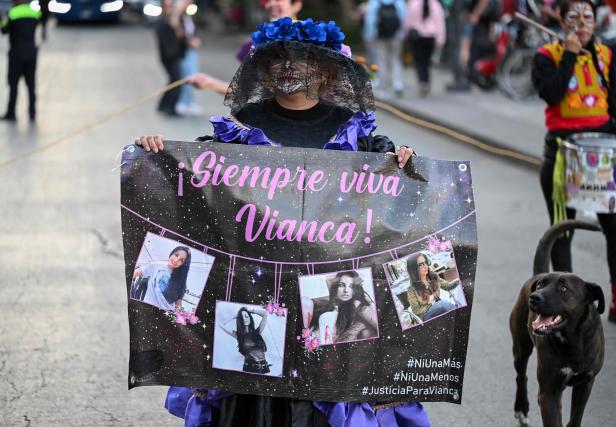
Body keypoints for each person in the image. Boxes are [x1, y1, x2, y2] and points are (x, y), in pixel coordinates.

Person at [136, 17, 428, 426]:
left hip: (327, 290)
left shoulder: (356, 135)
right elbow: (196, 186)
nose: (287, 66)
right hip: (255, 292)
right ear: (263, 69)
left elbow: (387, 209)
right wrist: (158, 155)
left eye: (301, 59)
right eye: (277, 59)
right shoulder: (239, 130)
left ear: (326, 70)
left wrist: (403, 163)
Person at [532, 0, 616, 327]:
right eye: (574, 18)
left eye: (588, 17)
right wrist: (568, 53)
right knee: (563, 231)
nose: (582, 23)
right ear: (562, 21)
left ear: (595, 22)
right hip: (564, 157)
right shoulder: (546, 56)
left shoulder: (605, 55)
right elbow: (552, 94)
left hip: (605, 157)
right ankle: (565, 308)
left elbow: (612, 106)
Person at [187, 0, 303, 95]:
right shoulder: (257, 41)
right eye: (268, 1)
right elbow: (246, 88)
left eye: (278, 0)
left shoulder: (312, 38)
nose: (271, 4)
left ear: (297, 5)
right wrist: (209, 83)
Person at [302, 271, 378, 344]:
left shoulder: (358, 305)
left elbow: (378, 325)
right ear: (335, 287)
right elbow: (329, 278)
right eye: (341, 285)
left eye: (351, 286)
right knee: (305, 301)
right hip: (310, 337)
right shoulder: (327, 304)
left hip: (324, 346)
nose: (346, 290)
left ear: (355, 290)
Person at [1, 0, 41, 122]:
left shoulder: (12, 13)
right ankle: (32, 113)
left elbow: (4, 30)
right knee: (31, 85)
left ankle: (11, 113)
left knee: (13, 85)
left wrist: (2, 19)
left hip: (16, 55)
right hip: (31, 54)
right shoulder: (35, 13)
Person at [362, 0, 406, 99]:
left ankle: (384, 89)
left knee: (381, 61)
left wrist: (369, 35)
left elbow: (371, 19)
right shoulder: (399, 1)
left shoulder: (375, 2)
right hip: (396, 36)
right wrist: (402, 34)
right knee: (396, 59)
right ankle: (398, 84)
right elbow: (404, 17)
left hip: (380, 36)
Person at [403, 0, 446, 97]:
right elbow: (440, 22)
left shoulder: (414, 3)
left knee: (419, 61)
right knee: (426, 61)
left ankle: (422, 82)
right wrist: (441, 39)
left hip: (417, 36)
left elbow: (408, 21)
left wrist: (405, 34)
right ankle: (426, 82)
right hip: (430, 36)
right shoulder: (435, 4)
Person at [132, 246, 191, 311]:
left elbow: (178, 303)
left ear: (183, 264)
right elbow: (137, 272)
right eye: (176, 255)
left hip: (167, 313)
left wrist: (179, 317)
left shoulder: (181, 281)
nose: (176, 260)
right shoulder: (156, 265)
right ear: (172, 253)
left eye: (181, 261)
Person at [405, 252, 456, 322]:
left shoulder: (433, 277)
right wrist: (431, 304)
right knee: (443, 304)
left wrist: (459, 281)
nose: (426, 266)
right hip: (426, 315)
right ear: (413, 269)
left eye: (426, 262)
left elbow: (447, 286)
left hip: (440, 308)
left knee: (445, 305)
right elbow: (416, 310)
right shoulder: (411, 290)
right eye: (421, 265)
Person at [218, 307, 271, 374]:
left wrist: (250, 311)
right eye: (242, 317)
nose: (244, 319)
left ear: (250, 317)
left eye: (246, 316)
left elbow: (265, 314)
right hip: (250, 367)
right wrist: (236, 315)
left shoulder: (257, 332)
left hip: (264, 366)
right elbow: (221, 323)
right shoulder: (238, 335)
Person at [155, 0, 186, 116]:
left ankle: (165, 106)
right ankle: (168, 107)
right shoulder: (163, 22)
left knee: (174, 81)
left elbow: (182, 35)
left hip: (174, 56)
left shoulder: (174, 20)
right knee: (176, 81)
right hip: (169, 57)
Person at [175, 0, 203, 117]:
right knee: (186, 76)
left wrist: (196, 40)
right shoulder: (177, 17)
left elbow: (192, 31)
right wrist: (189, 42)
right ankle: (183, 102)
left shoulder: (188, 15)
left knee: (193, 75)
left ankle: (189, 102)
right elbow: (178, 33)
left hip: (191, 51)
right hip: (183, 51)